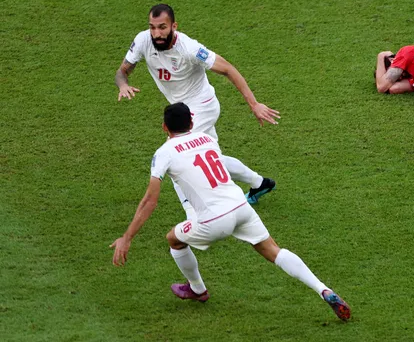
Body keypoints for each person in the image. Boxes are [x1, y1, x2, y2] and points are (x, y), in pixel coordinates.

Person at [110, 103, 351, 321]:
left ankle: (197, 289)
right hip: (240, 206)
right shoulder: (206, 139)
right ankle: (323, 289)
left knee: (174, 239)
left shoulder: (164, 153)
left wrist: (127, 237)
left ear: (164, 126)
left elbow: (150, 201)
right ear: (192, 124)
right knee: (273, 250)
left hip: (213, 220)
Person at [114, 4, 278, 223]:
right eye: (152, 27)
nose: (157, 33)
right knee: (212, 158)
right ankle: (259, 183)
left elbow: (228, 69)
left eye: (162, 27)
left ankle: (193, 216)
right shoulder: (144, 40)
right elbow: (122, 71)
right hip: (181, 109)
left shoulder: (189, 48)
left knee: (176, 157)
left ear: (174, 26)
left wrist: (254, 104)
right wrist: (123, 85)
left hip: (202, 107)